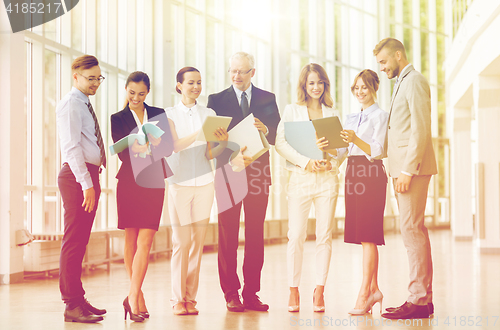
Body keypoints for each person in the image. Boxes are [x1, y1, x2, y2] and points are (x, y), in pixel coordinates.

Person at [207, 52, 280, 312]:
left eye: (241, 71)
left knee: (255, 234)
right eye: (232, 71)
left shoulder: (267, 98)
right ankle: (230, 293)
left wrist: (265, 129)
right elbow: (212, 143)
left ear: (253, 72)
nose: (236, 76)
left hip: (258, 173)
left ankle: (251, 293)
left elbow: (277, 135)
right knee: (227, 234)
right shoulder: (215, 100)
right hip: (228, 172)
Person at [373, 38, 438, 319]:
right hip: (404, 168)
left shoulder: (414, 81)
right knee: (414, 231)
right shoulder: (402, 81)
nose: (382, 68)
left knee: (412, 231)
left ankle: (419, 300)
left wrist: (407, 171)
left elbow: (420, 130)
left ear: (399, 55)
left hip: (412, 170)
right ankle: (422, 298)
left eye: (384, 62)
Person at [275, 63, 340, 313]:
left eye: (320, 82)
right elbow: (280, 143)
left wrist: (330, 157)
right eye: (311, 82)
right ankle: (293, 290)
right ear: (304, 85)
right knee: (296, 235)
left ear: (325, 85)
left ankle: (320, 290)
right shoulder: (292, 110)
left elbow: (342, 149)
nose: (316, 87)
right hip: (300, 179)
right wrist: (307, 162)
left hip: (327, 180)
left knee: (324, 235)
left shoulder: (332, 112)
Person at [110, 71, 174, 322]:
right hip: (129, 181)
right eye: (131, 92)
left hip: (154, 180)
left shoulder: (158, 114)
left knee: (146, 240)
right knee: (131, 238)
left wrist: (151, 145)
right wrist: (143, 146)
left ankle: (132, 295)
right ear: (126, 89)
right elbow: (123, 153)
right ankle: (138, 297)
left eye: (141, 93)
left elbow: (167, 147)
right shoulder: (118, 118)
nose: (136, 98)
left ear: (148, 93)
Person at [166, 67, 228, 316]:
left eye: (199, 82)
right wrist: (199, 133)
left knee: (197, 242)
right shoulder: (168, 114)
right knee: (181, 241)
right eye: (191, 82)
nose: (196, 87)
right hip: (179, 184)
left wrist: (221, 142)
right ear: (179, 85)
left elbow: (210, 153)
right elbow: (174, 146)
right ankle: (177, 298)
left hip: (204, 183)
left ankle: (190, 298)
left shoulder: (209, 113)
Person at [327, 69, 388, 315]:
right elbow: (342, 154)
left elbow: (378, 150)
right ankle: (374, 289)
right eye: (356, 88)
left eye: (365, 87)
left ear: (374, 88)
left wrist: (355, 139)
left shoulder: (381, 116)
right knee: (364, 235)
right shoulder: (351, 118)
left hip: (371, 173)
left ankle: (365, 293)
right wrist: (328, 149)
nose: (360, 92)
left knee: (368, 235)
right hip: (353, 172)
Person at [56, 55, 107, 323]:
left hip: (88, 175)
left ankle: (78, 299)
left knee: (80, 241)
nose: (96, 83)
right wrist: (86, 184)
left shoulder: (83, 104)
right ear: (75, 76)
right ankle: (71, 304)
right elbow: (72, 147)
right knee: (74, 242)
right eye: (91, 78)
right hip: (78, 177)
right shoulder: (70, 105)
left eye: (99, 78)